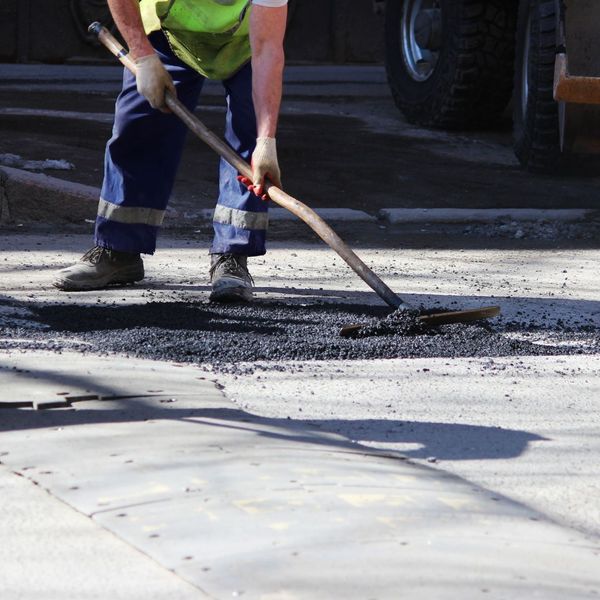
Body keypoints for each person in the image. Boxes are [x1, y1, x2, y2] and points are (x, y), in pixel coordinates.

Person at [54, 0, 287, 302]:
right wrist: (144, 57)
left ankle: (232, 257)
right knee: (138, 123)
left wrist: (266, 141)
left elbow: (268, 47)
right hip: (170, 34)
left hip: (243, 45)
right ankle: (118, 249)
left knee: (250, 133)